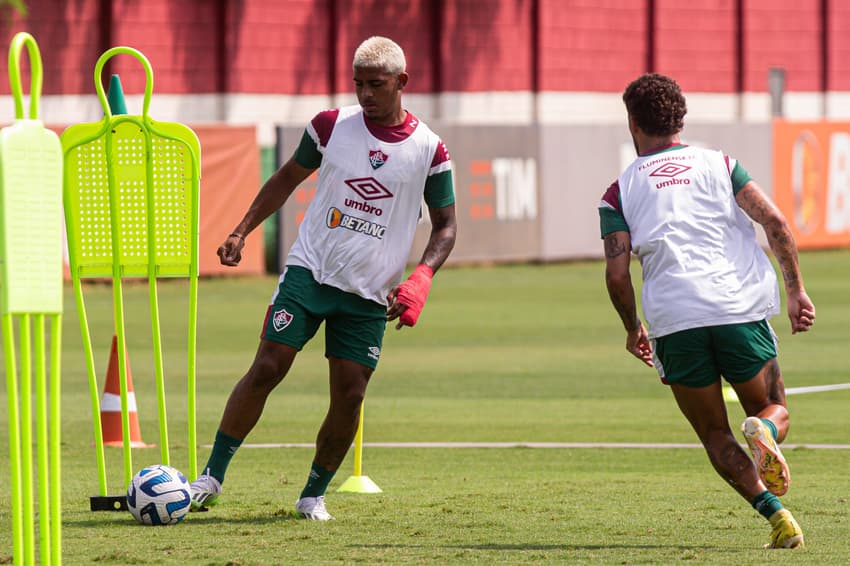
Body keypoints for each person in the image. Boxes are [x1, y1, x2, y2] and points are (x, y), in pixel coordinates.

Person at [189, 36, 457, 520]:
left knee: (350, 393)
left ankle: (312, 495)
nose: (365, 94)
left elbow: (446, 226)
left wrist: (421, 277)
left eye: (376, 84)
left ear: (403, 83)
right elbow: (288, 177)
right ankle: (210, 477)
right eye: (358, 83)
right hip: (309, 272)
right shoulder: (330, 127)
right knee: (269, 365)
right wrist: (241, 230)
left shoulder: (430, 150)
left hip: (370, 293)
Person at [599, 73, 814, 549]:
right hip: (738, 308)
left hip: (675, 323)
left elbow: (616, 276)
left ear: (633, 123)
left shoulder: (619, 191)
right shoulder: (722, 165)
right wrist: (795, 290)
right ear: (681, 118)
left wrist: (633, 328)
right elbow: (775, 221)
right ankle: (766, 431)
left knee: (716, 434)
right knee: (773, 408)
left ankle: (779, 519)